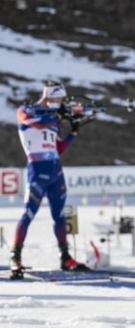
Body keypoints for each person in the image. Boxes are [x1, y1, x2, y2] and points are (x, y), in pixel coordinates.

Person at [9, 81, 89, 278]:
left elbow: (57, 148)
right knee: (28, 213)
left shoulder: (53, 118)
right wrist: (59, 115)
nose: (61, 102)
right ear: (49, 96)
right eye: (59, 98)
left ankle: (65, 257)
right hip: (37, 171)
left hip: (56, 172)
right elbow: (37, 123)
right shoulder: (26, 110)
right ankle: (15, 257)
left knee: (59, 216)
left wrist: (74, 131)